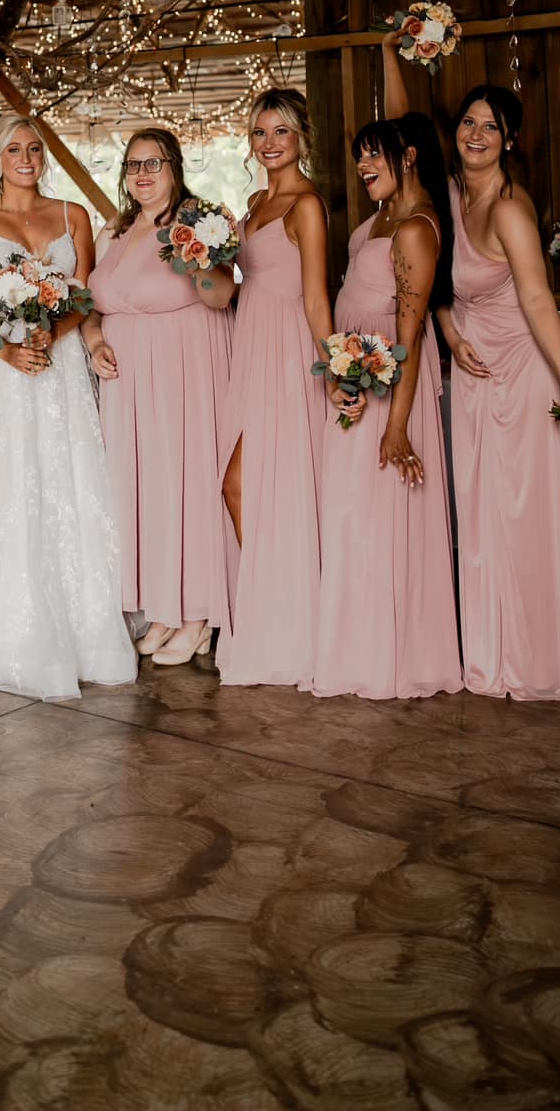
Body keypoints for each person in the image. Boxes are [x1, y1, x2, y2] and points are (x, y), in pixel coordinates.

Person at [383, 38, 560, 706]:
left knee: (530, 518)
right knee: (482, 518)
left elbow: (539, 299)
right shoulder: (447, 194)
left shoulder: (511, 208)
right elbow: (405, 124)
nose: (476, 134)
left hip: (524, 370)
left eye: (491, 126)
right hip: (476, 375)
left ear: (509, 140)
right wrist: (451, 331)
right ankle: (493, 658)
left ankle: (543, 659)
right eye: (468, 122)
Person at [0, 116, 136, 699]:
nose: (26, 157)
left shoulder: (73, 217)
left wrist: (52, 334)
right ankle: (0, 634)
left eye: (34, 148)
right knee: (3, 490)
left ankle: (82, 633)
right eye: (14, 148)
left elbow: (82, 295)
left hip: (58, 370)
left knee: (68, 485)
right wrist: (8, 350)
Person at [310, 113, 461, 699]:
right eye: (359, 158)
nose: (364, 167)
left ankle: (386, 655)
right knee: (348, 522)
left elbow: (412, 334)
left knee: (376, 524)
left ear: (410, 155)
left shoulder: (418, 229)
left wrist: (397, 427)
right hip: (353, 380)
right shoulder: (381, 217)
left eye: (375, 156)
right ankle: (349, 648)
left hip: (390, 393)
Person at [82, 127, 234, 667]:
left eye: (154, 163)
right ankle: (163, 607)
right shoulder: (118, 231)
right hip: (126, 380)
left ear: (175, 167)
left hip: (182, 369)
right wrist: (95, 339)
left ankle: (197, 613)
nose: (142, 175)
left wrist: (199, 260)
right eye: (132, 166)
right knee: (140, 490)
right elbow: (94, 303)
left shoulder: (200, 221)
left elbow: (222, 297)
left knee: (183, 482)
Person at [218, 89, 333, 689]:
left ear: (301, 137)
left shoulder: (306, 205)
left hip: (288, 353)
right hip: (250, 346)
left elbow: (316, 295)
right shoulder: (256, 199)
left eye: (280, 132)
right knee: (242, 486)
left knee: (258, 485)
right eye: (260, 133)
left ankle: (293, 621)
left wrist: (331, 366)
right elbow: (238, 287)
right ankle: (272, 611)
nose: (268, 143)